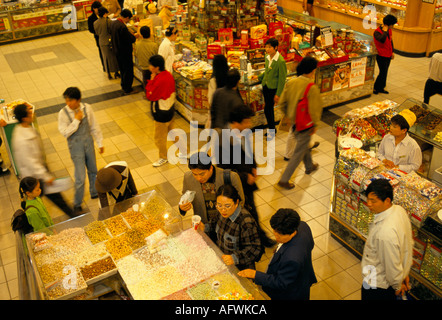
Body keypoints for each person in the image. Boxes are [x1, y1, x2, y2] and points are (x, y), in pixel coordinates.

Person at [217, 104, 276, 248]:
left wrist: (254, 167)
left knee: (252, 212)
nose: (249, 124)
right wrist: (245, 177)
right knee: (246, 213)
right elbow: (225, 169)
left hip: (247, 182)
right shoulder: (224, 140)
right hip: (238, 185)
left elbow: (248, 151)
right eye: (246, 121)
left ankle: (259, 237)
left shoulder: (242, 133)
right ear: (236, 122)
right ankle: (255, 240)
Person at [238, 208, 317, 300]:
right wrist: (281, 248)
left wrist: (255, 275)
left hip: (290, 293)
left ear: (291, 233)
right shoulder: (303, 226)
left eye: (280, 234)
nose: (275, 236)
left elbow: (280, 282)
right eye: (275, 231)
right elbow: (310, 244)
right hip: (301, 276)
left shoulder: (292, 258)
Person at [12, 104, 75, 217]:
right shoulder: (21, 139)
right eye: (30, 113)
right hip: (33, 177)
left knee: (54, 196)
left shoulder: (24, 128)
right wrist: (45, 176)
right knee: (37, 203)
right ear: (24, 118)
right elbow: (30, 162)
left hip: (39, 171)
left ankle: (72, 213)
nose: (33, 114)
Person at [361, 179, 413, 300]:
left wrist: (398, 285)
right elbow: (407, 244)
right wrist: (404, 274)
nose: (368, 204)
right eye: (368, 199)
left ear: (387, 201)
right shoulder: (399, 210)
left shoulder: (385, 233)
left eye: (373, 201)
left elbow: (391, 266)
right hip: (389, 274)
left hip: (376, 281)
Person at [277, 57, 323, 189]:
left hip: (295, 122)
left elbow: (282, 103)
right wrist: (315, 125)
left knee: (303, 145)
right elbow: (315, 110)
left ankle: (309, 166)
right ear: (312, 71)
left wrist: (290, 114)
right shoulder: (311, 87)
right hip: (305, 124)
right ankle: (284, 179)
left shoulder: (291, 82)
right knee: (298, 153)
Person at [179, 152, 245, 242]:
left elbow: (240, 202)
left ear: (210, 168)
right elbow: (184, 197)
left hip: (226, 226)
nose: (198, 178)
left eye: (202, 174)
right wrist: (182, 207)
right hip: (204, 226)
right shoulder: (188, 177)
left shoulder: (230, 177)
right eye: (194, 174)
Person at [58, 87, 104, 215]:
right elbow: (65, 132)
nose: (68, 103)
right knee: (80, 176)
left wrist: (100, 143)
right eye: (66, 100)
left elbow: (94, 126)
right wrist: (76, 120)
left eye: (70, 100)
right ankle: (77, 204)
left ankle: (95, 192)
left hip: (88, 143)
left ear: (78, 100)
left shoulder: (87, 108)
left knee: (93, 169)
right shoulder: (63, 113)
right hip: (76, 146)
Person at [211, 184, 262, 271]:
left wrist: (234, 258)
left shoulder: (246, 222)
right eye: (219, 205)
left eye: (227, 206)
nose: (223, 210)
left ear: (236, 202)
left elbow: (254, 249)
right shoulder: (220, 211)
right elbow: (213, 224)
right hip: (222, 260)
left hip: (239, 267)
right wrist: (204, 227)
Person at [145, 54, 180, 167]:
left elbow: (150, 96)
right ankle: (185, 151)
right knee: (173, 132)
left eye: (151, 65)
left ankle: (163, 157)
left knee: (159, 137)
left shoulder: (159, 79)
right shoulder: (168, 75)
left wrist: (151, 80)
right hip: (170, 109)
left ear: (156, 67)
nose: (149, 67)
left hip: (161, 113)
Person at [258, 38, 287, 140]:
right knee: (268, 109)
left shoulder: (280, 61)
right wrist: (258, 77)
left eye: (270, 47)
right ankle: (272, 129)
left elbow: (282, 79)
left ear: (275, 48)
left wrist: (278, 94)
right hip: (266, 86)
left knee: (267, 110)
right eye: (266, 47)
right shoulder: (267, 57)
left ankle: (272, 131)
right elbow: (266, 71)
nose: (267, 49)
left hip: (273, 89)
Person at [109, 8, 138, 95]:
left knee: (122, 70)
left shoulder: (114, 23)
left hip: (117, 50)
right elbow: (130, 39)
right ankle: (128, 89)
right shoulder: (122, 27)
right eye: (128, 19)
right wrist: (134, 36)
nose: (128, 21)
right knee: (128, 70)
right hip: (124, 52)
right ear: (126, 17)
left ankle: (124, 86)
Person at [373, 14, 397, 95]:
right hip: (381, 55)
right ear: (388, 24)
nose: (392, 26)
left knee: (385, 72)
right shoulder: (377, 32)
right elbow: (382, 40)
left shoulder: (389, 30)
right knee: (382, 72)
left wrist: (392, 51)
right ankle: (376, 87)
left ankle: (381, 87)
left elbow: (390, 41)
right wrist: (385, 31)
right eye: (392, 24)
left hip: (388, 54)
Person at [94, 6, 120, 80]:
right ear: (105, 13)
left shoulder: (95, 23)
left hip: (102, 42)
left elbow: (97, 33)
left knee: (105, 58)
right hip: (109, 41)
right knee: (114, 57)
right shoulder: (108, 21)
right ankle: (116, 72)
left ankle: (108, 73)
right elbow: (112, 30)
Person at [135, 26, 159, 92]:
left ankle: (147, 95)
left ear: (141, 34)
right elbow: (157, 57)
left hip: (143, 67)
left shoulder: (137, 44)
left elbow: (136, 54)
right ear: (150, 33)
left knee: (146, 82)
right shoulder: (154, 45)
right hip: (153, 69)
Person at [88, 1, 105, 73]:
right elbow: (90, 29)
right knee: (101, 52)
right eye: (97, 8)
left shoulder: (103, 15)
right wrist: (97, 32)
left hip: (106, 36)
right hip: (98, 37)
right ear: (94, 9)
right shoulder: (91, 18)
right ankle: (104, 66)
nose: (98, 10)